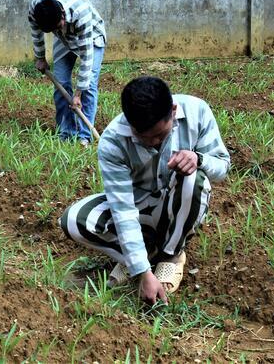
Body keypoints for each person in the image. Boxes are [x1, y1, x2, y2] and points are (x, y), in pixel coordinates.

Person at [59, 76, 230, 305]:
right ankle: (146, 253)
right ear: (130, 124)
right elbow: (123, 209)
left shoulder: (197, 111)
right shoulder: (113, 141)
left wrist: (199, 159)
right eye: (143, 137)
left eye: (160, 135)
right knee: (74, 220)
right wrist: (143, 273)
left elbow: (222, 167)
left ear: (173, 110)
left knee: (195, 179)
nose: (153, 142)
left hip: (175, 203)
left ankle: (171, 255)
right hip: (139, 209)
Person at [28, 0, 106, 146]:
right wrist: (40, 58)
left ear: (62, 13)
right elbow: (36, 34)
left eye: (57, 25)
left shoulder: (80, 12)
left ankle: (84, 136)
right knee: (61, 82)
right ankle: (66, 132)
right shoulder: (36, 9)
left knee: (88, 86)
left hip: (91, 36)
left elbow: (86, 57)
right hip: (64, 39)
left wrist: (78, 93)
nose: (56, 29)